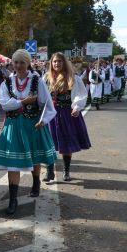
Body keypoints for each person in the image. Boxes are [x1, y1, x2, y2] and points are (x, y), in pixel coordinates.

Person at [0, 49, 56, 215]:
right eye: (16, 62)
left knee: (35, 156)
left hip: (32, 124)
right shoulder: (6, 83)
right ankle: (13, 200)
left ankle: (36, 183)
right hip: (13, 126)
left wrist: (44, 120)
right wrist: (24, 101)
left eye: (22, 62)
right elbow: (4, 104)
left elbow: (47, 105)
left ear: (28, 63)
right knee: (13, 165)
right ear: (12, 63)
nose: (19, 66)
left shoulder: (37, 81)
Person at [43, 52, 91, 182]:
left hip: (67, 114)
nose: (57, 64)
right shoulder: (46, 78)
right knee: (49, 143)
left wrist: (76, 107)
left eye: (59, 61)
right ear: (51, 64)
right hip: (51, 114)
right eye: (54, 61)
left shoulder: (73, 78)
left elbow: (80, 94)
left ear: (64, 62)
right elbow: (41, 96)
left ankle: (66, 171)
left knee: (66, 143)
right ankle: (49, 172)